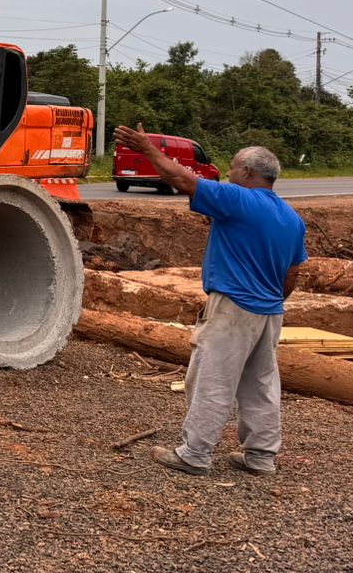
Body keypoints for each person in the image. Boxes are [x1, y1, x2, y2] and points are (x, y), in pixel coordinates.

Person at [112, 126, 306, 477]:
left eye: (232, 168)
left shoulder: (238, 199)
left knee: (211, 378)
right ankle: (260, 457)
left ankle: (195, 453)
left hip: (233, 307)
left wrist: (148, 149)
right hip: (270, 312)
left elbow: (181, 179)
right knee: (260, 384)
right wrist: (272, 300)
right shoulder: (292, 218)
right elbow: (292, 274)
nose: (228, 173)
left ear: (247, 172)